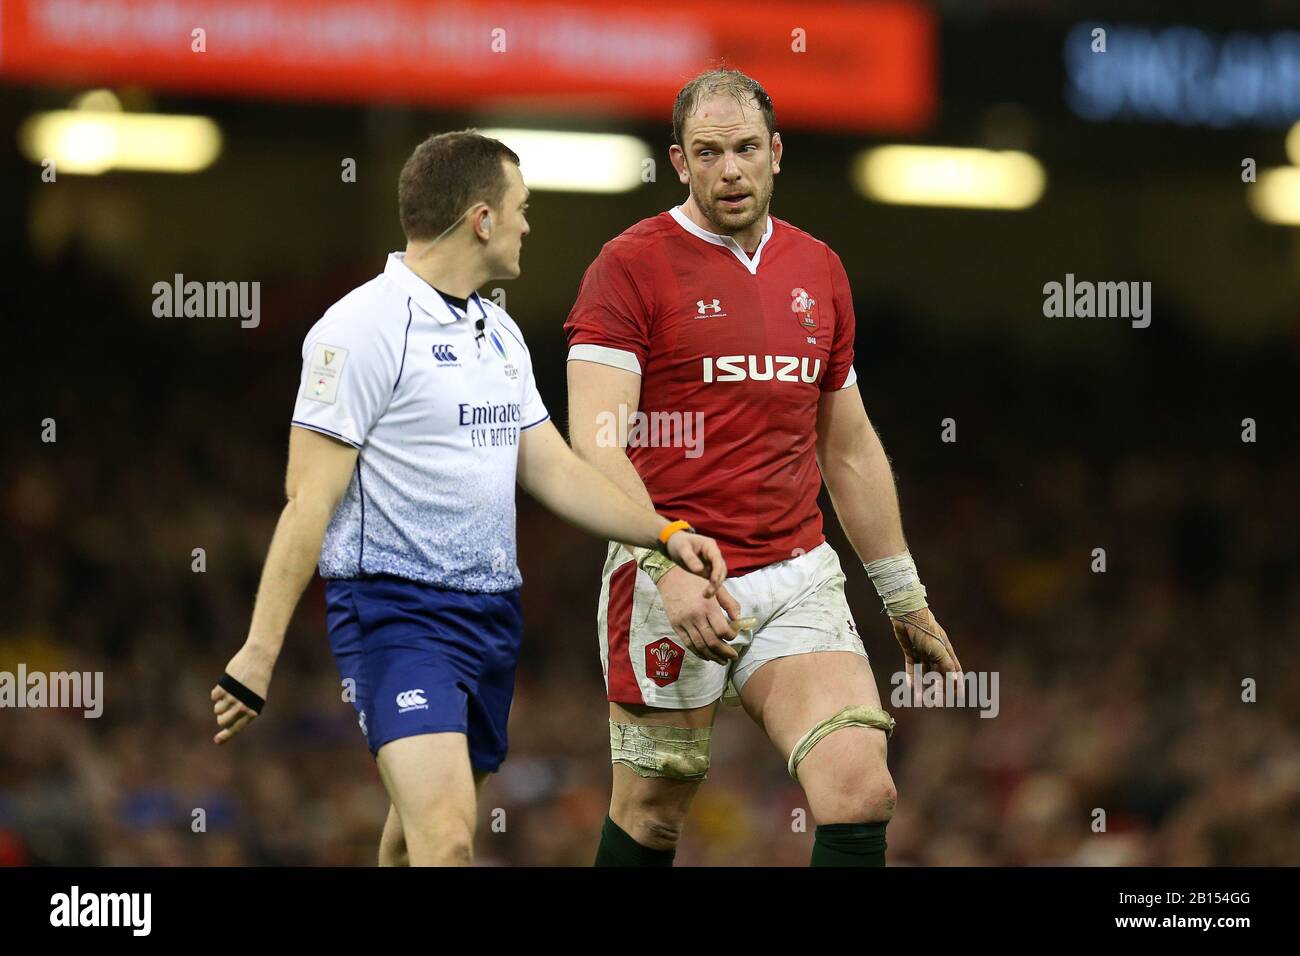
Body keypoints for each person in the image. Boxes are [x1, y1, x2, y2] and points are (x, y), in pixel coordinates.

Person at [209, 130, 727, 867]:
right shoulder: (358, 329)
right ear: (481, 219)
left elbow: (553, 469)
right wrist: (259, 653)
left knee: (410, 843)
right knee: (449, 840)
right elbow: (307, 502)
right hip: (395, 614)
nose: (528, 223)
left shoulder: (499, 333)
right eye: (521, 208)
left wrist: (664, 532)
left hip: (491, 618)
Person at [564, 71, 962, 866]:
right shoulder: (629, 266)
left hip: (794, 569)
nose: (731, 170)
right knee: (653, 811)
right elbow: (597, 440)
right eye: (708, 153)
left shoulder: (818, 269)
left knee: (861, 789)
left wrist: (904, 595)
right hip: (667, 567)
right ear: (679, 161)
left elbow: (846, 446)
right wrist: (667, 557)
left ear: (776, 153)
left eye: (747, 149)